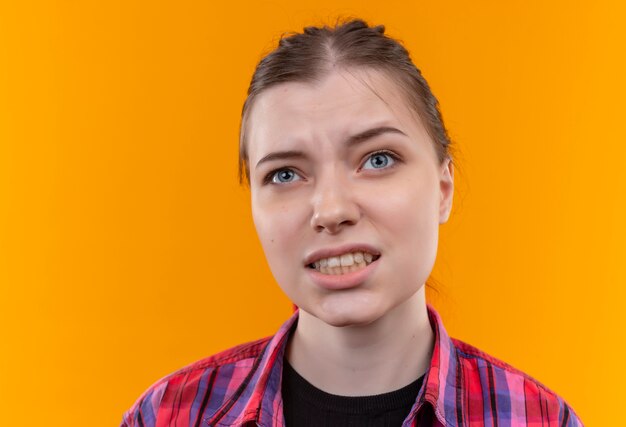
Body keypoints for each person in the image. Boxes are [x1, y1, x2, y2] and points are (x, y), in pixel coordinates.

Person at [121, 18, 583, 426]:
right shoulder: (166, 416)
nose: (331, 210)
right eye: (284, 174)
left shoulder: (539, 419)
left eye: (378, 159)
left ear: (443, 188)